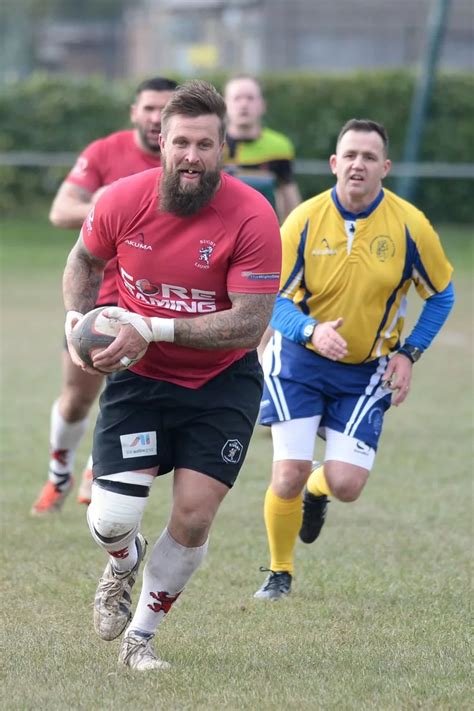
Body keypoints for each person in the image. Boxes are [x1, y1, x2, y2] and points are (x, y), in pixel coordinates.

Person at [62, 80, 281, 670]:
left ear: (222, 149)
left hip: (222, 384)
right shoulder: (119, 199)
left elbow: (249, 322)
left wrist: (150, 327)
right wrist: (76, 322)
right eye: (181, 142)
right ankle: (122, 562)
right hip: (143, 380)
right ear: (161, 141)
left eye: (204, 145)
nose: (191, 156)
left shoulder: (253, 216)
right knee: (111, 520)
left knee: (192, 515)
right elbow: (84, 258)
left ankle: (142, 637)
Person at [254, 118, 455, 600]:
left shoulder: (410, 226)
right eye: (350, 155)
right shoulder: (303, 219)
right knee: (287, 471)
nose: (358, 164)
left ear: (384, 167)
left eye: (369, 157)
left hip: (368, 370)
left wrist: (410, 354)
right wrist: (310, 330)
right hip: (297, 362)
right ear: (334, 163)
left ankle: (318, 492)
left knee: (346, 484)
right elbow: (272, 298)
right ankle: (279, 572)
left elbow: (441, 295)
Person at [31, 76, 178, 514]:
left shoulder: (187, 166)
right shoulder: (104, 152)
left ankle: (101, 468)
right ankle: (60, 472)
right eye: (149, 108)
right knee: (77, 398)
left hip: (149, 305)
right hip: (96, 300)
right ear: (135, 111)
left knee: (128, 393)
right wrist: (110, 207)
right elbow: (60, 211)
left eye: (164, 110)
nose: (155, 118)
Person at [223, 75, 301, 223]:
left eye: (250, 98)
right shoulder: (212, 144)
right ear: (225, 104)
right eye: (237, 98)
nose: (244, 104)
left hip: (264, 228)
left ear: (263, 105)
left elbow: (289, 193)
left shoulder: (279, 146)